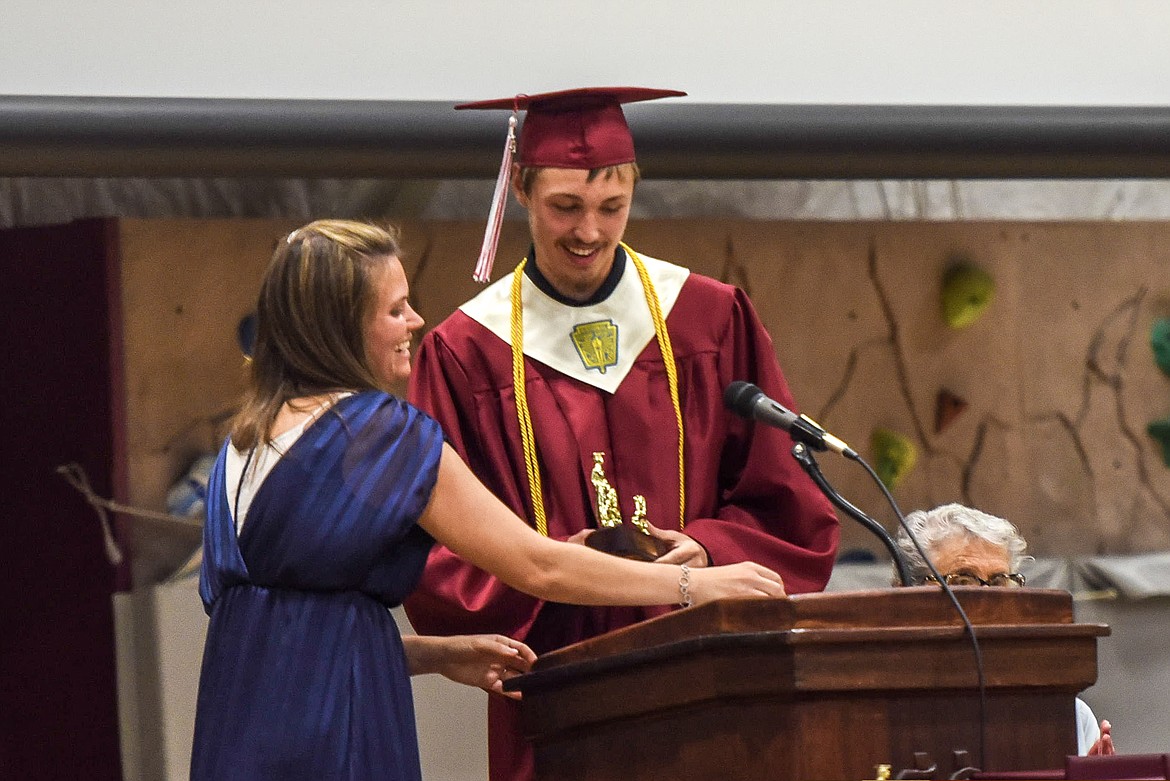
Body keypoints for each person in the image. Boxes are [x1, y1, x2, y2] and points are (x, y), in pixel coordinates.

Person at [190, 219, 788, 781]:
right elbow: (537, 564)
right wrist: (694, 587)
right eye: (395, 310)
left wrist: (434, 654)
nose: (417, 321)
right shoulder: (376, 435)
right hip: (333, 732)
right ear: (341, 329)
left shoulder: (239, 447)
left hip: (234, 724)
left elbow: (292, 635)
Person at [404, 87, 841, 780]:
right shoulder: (466, 352)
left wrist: (704, 547)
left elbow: (784, 496)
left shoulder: (706, 318)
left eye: (612, 207)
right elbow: (435, 550)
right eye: (566, 207)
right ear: (521, 189)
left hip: (707, 673)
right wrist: (541, 563)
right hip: (559, 685)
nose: (590, 232)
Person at [895, 503, 1115, 757]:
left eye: (1000, 581)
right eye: (963, 581)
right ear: (906, 594)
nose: (989, 600)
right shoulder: (874, 709)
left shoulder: (1070, 716)